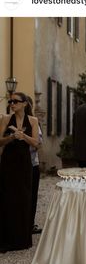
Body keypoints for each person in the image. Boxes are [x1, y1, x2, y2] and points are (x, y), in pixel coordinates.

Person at [0, 92, 39, 252]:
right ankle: (6, 239)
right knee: (7, 197)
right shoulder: (5, 119)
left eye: (15, 101)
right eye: (10, 101)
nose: (12, 104)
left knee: (24, 198)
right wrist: (11, 137)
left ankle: (22, 240)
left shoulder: (33, 121)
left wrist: (23, 136)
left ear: (24, 104)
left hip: (24, 163)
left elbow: (37, 143)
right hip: (8, 163)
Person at [26, 95, 43, 235]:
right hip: (26, 164)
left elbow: (38, 144)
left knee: (31, 195)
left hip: (32, 163)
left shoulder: (34, 123)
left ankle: (29, 223)